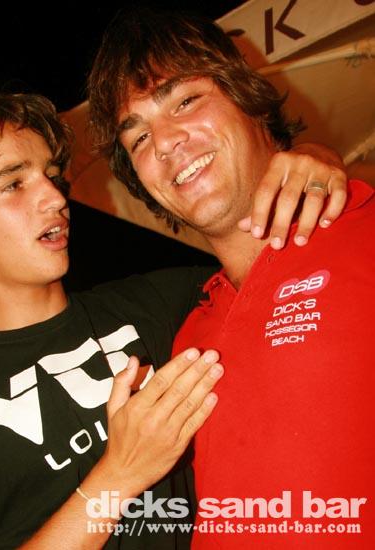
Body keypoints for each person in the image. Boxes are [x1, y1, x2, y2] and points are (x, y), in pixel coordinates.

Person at [0, 88, 345, 550]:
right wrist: (120, 474)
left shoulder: (160, 302)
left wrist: (316, 159)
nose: (54, 197)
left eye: (51, 176)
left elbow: (276, 259)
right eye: (14, 184)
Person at [87, 7, 375, 549]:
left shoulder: (366, 233)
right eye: (139, 138)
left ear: (248, 99)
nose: (164, 141)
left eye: (185, 101)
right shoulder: (188, 335)